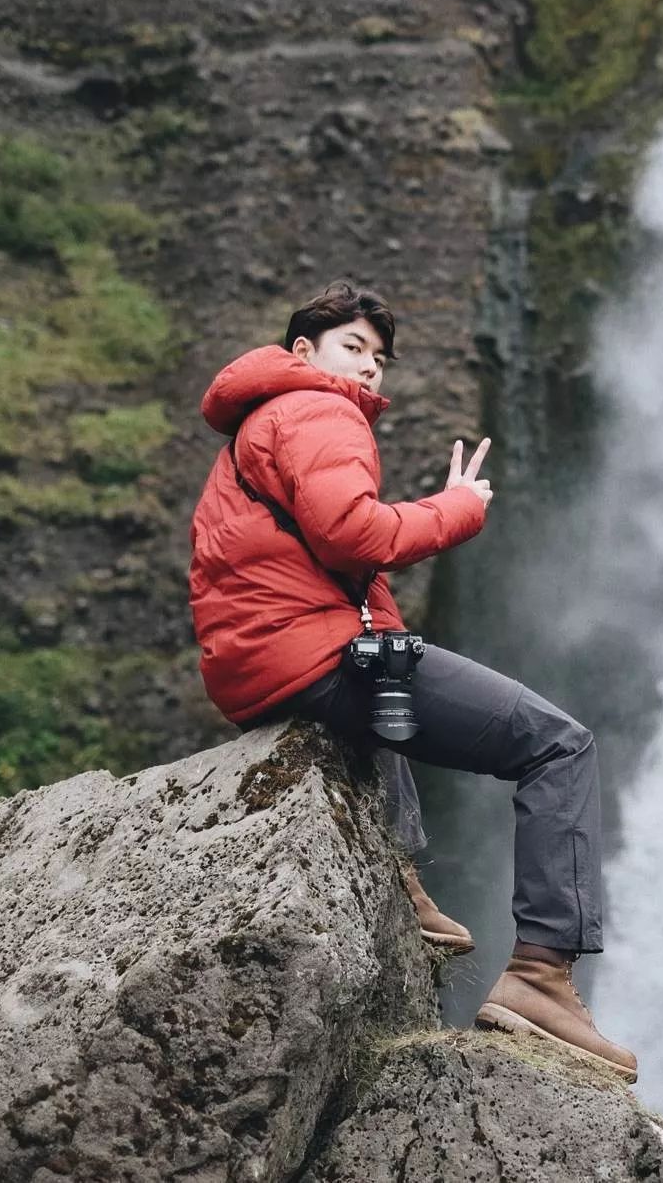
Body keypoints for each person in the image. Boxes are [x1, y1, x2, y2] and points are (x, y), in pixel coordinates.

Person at [188, 280, 637, 1082]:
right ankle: (541, 977)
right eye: (352, 348)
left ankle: (402, 882)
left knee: (387, 664)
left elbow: (327, 564)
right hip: (309, 654)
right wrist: (458, 507)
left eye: (379, 358)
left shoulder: (257, 424)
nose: (369, 370)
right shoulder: (317, 410)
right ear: (303, 352)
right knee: (559, 745)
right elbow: (353, 531)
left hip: (259, 663)